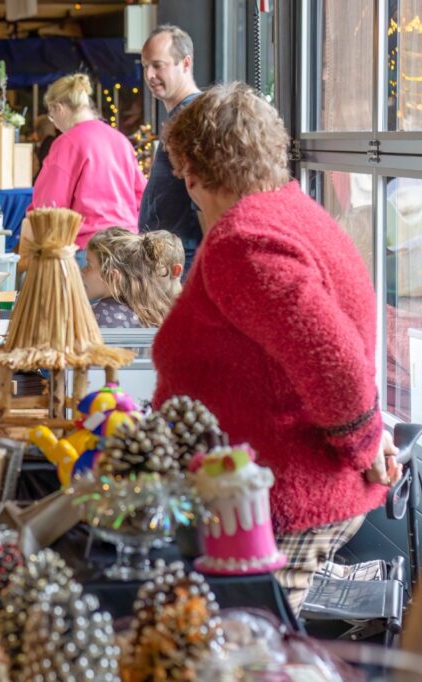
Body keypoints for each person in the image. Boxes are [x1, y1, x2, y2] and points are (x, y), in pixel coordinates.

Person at [153, 82, 402, 614]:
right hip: (270, 492)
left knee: (253, 653)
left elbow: (334, 363)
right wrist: (370, 437)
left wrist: (365, 446)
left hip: (278, 502)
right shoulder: (289, 212)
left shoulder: (244, 241)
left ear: (192, 175)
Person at [30, 73, 147, 266]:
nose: (55, 124)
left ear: (57, 108)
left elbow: (49, 205)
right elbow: (142, 195)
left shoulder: (67, 142)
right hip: (127, 247)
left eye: (52, 117)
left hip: (88, 250)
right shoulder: (120, 140)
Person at [138, 24, 202, 274]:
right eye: (145, 66)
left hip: (181, 264)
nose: (150, 75)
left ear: (185, 63)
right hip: (168, 260)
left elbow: (204, 200)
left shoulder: (193, 116)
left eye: (158, 65)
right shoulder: (181, 116)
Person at [83, 228, 175, 328]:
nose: (82, 272)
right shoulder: (159, 312)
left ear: (112, 276)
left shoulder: (95, 318)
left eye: (89, 265)